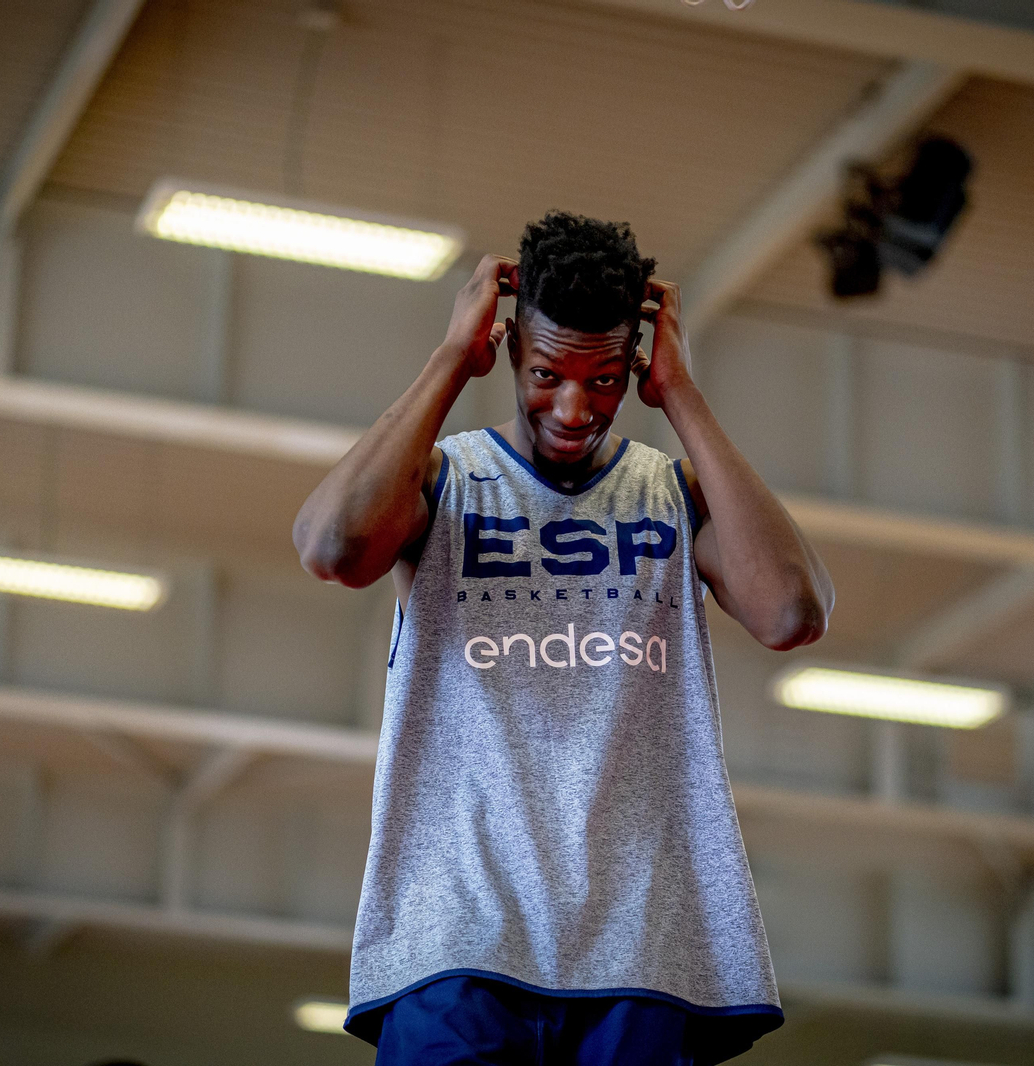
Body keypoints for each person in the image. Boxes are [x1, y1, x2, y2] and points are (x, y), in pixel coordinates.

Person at [293, 211, 834, 1065]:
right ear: (508, 348)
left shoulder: (672, 491)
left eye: (606, 378)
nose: (575, 407)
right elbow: (334, 548)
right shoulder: (446, 478)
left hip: (640, 947)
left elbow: (792, 614)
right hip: (456, 942)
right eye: (547, 372)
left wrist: (682, 395)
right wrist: (447, 362)